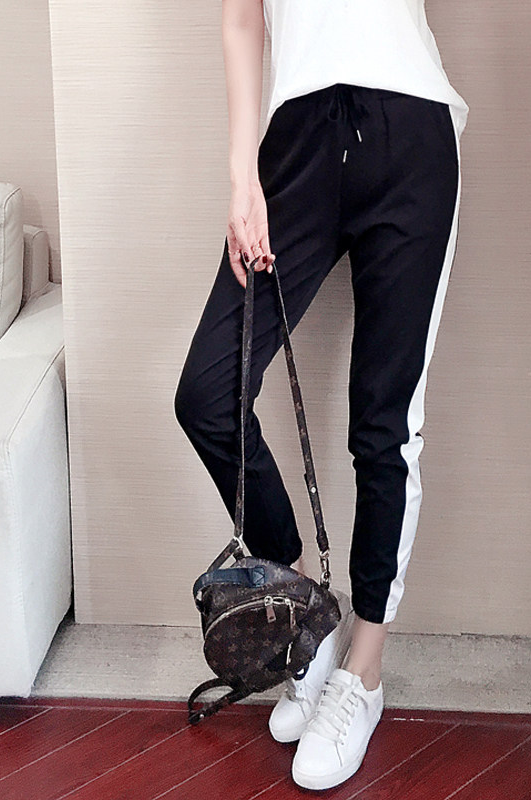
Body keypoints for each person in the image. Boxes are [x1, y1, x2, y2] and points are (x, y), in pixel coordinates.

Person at [174, 0, 468, 790]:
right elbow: (242, 21)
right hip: (298, 136)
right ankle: (305, 615)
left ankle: (362, 673)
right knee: (209, 394)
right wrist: (244, 178)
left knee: (385, 426)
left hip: (409, 127)